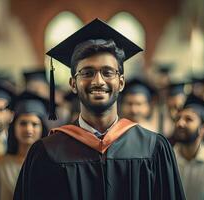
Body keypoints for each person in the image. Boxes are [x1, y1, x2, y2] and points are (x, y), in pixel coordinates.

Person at [14, 18, 185, 200]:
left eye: (107, 72)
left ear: (121, 82)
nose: (98, 81)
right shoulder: (47, 152)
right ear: (73, 84)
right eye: (87, 73)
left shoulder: (153, 148)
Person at [0, 92, 49, 200]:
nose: (28, 129)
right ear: (14, 127)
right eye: (23, 123)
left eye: (35, 124)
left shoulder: (51, 164)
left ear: (42, 128)